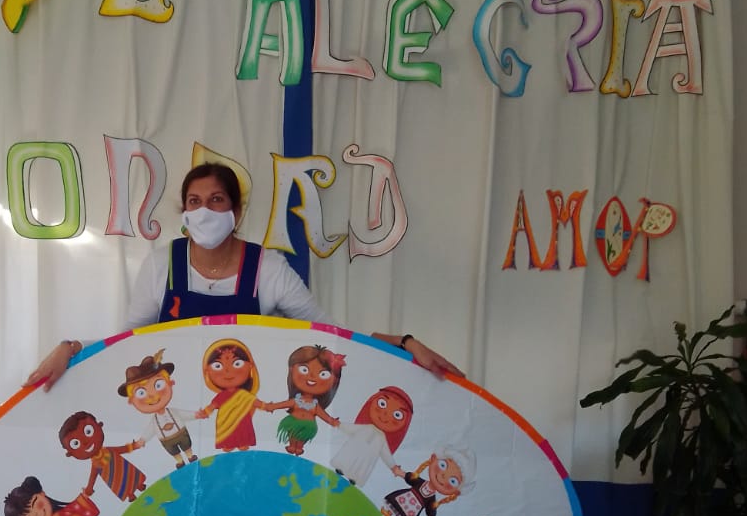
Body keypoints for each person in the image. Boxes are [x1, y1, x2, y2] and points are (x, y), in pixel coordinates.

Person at [26, 162, 462, 389]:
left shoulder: (267, 268)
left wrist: (403, 344)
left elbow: (331, 338)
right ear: (184, 211)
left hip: (251, 415)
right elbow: (126, 345)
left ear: (236, 210)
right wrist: (71, 349)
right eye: (194, 201)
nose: (204, 210)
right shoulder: (162, 265)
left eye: (216, 200)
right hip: (176, 411)